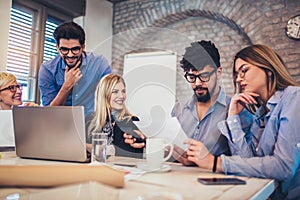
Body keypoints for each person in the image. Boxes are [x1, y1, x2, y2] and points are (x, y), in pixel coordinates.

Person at [181, 44, 300, 200]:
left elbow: (284, 166)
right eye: (237, 74)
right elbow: (248, 161)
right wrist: (232, 117)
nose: (238, 79)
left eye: (244, 71)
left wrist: (216, 162)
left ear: (268, 70)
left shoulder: (294, 97)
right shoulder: (260, 113)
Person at [171, 40, 252, 164]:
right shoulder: (178, 109)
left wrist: (209, 160)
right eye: (192, 77)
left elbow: (247, 162)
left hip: (216, 181)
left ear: (218, 73)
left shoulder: (238, 110)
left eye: (204, 76)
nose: (197, 83)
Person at [38, 22, 111, 117]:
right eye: (64, 49)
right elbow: (50, 113)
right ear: (57, 48)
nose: (70, 55)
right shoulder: (47, 70)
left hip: (93, 124)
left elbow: (111, 97)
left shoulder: (99, 63)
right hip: (61, 124)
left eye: (75, 49)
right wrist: (67, 85)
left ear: (83, 47)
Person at [87, 74, 146, 159]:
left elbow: (133, 156)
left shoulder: (130, 121)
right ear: (104, 94)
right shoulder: (90, 121)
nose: (121, 96)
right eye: (115, 92)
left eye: (123, 91)